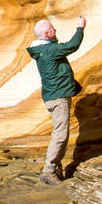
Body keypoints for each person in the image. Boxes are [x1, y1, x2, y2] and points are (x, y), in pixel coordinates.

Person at [26, 16, 86, 185]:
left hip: (55, 96)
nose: (56, 30)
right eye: (53, 28)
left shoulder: (45, 50)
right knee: (60, 134)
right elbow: (72, 45)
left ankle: (55, 168)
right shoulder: (49, 50)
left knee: (60, 133)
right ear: (46, 33)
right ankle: (50, 170)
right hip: (58, 97)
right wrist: (80, 27)